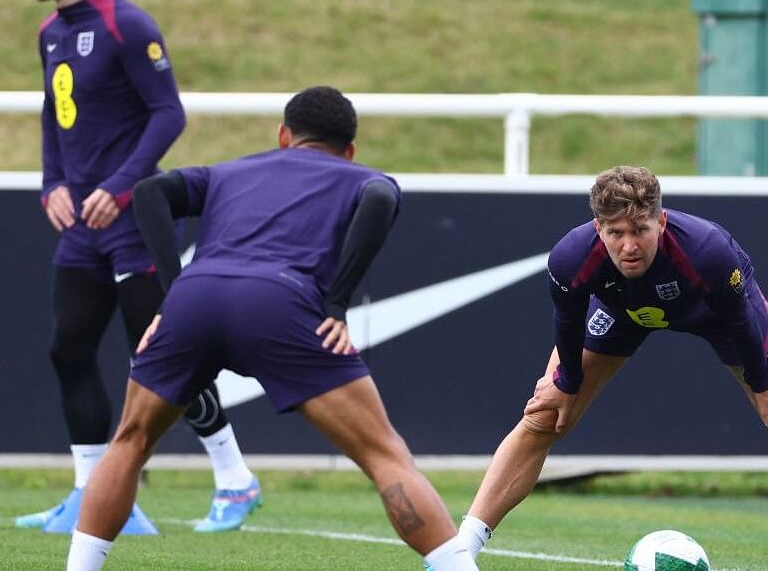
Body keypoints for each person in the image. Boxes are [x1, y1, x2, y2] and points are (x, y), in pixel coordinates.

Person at [65, 86, 478, 570]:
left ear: (284, 136)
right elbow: (381, 195)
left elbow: (150, 191)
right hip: (280, 302)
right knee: (384, 453)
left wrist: (174, 293)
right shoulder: (355, 175)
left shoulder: (230, 170)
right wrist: (337, 304)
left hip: (196, 296)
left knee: (130, 441)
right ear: (349, 151)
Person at [443, 165, 768, 571]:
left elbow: (739, 322)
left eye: (640, 230)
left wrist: (766, 385)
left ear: (662, 221)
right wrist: (564, 383)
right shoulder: (570, 258)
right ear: (597, 230)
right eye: (615, 233)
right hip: (623, 312)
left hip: (719, 314)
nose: (629, 245)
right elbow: (567, 325)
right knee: (543, 416)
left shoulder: (709, 252)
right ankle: (463, 545)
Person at [20, 0, 257, 534]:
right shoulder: (50, 32)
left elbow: (168, 115)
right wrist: (52, 186)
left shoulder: (125, 23)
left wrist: (121, 187)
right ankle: (90, 494)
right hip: (80, 228)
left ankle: (235, 478)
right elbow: (53, 116)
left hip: (129, 224)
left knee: (161, 356)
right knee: (68, 349)